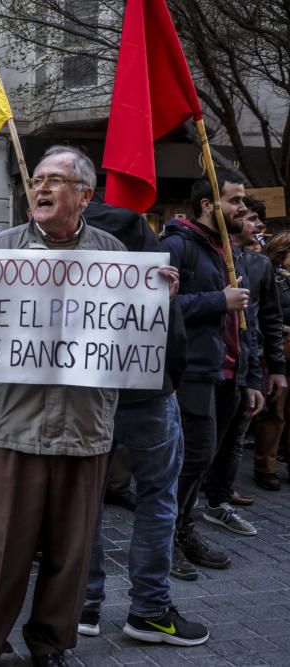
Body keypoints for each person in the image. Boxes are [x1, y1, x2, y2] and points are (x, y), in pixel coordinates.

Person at [0, 147, 130, 666]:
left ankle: (51, 643)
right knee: (2, 550)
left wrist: (158, 299)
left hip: (84, 429)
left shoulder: (114, 256)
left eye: (56, 180)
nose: (41, 188)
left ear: (84, 196)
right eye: (38, 180)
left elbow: (131, 337)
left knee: (71, 554)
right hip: (14, 428)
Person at [76, 198, 208, 647]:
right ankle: (149, 609)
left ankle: (84, 604)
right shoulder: (146, 262)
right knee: (157, 501)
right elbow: (174, 337)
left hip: (88, 396)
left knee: (85, 502)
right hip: (149, 397)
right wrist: (171, 383)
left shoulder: (63, 257)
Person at [159, 167, 261, 579]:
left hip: (229, 375)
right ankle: (165, 540)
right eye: (236, 200)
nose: (244, 207)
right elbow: (160, 309)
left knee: (204, 460)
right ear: (208, 204)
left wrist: (251, 377)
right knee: (189, 459)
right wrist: (218, 300)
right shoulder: (176, 246)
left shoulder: (229, 251)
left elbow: (246, 320)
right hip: (194, 374)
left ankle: (184, 529)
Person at [202, 194, 285, 513]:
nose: (259, 225)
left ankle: (220, 494)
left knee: (236, 432)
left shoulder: (261, 265)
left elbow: (270, 318)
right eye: (251, 218)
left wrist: (275, 366)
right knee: (203, 437)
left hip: (246, 362)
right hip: (207, 364)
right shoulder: (210, 256)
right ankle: (197, 490)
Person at [255, 230, 290, 490]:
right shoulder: (273, 278)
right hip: (279, 348)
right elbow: (270, 315)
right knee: (275, 410)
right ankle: (266, 466)